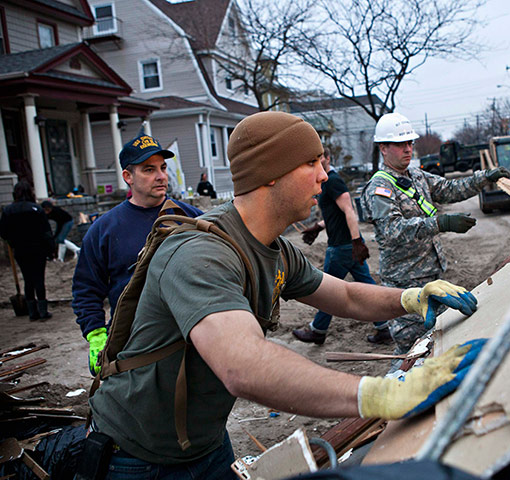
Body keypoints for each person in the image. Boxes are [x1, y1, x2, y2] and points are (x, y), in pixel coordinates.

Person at [85, 111, 481, 477]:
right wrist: (378, 393)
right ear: (270, 173)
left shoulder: (273, 247)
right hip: (136, 457)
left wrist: (410, 298)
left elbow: (343, 296)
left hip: (205, 443)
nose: (324, 176)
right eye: (311, 163)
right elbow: (243, 366)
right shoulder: (200, 253)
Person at [360, 112, 510, 357]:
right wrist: (441, 223)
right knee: (412, 350)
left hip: (431, 276)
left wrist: (484, 178)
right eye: (400, 144)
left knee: (438, 343)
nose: (408, 149)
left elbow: (449, 189)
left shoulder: (417, 176)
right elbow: (392, 231)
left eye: (410, 143)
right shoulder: (380, 188)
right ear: (383, 148)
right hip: (404, 284)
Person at [72, 132, 202, 376]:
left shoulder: (191, 217)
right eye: (148, 169)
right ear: (128, 177)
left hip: (187, 337)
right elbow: (86, 288)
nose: (161, 176)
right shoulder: (104, 229)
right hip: (133, 345)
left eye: (163, 167)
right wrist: (97, 336)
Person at [292, 147, 391, 345]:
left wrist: (356, 242)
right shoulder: (326, 182)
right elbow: (337, 215)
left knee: (327, 292)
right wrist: (318, 227)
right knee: (367, 287)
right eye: (315, 160)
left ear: (328, 158)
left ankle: (318, 330)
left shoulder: (334, 181)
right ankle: (384, 328)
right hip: (347, 246)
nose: (319, 162)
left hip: (342, 247)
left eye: (322, 158)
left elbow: (349, 211)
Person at [0, 180, 55, 320]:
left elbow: (4, 232)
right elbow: (46, 231)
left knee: (28, 279)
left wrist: (12, 241)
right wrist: (51, 249)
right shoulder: (36, 209)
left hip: (20, 249)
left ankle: (32, 312)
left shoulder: (8, 210)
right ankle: (42, 311)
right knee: (39, 278)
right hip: (38, 249)